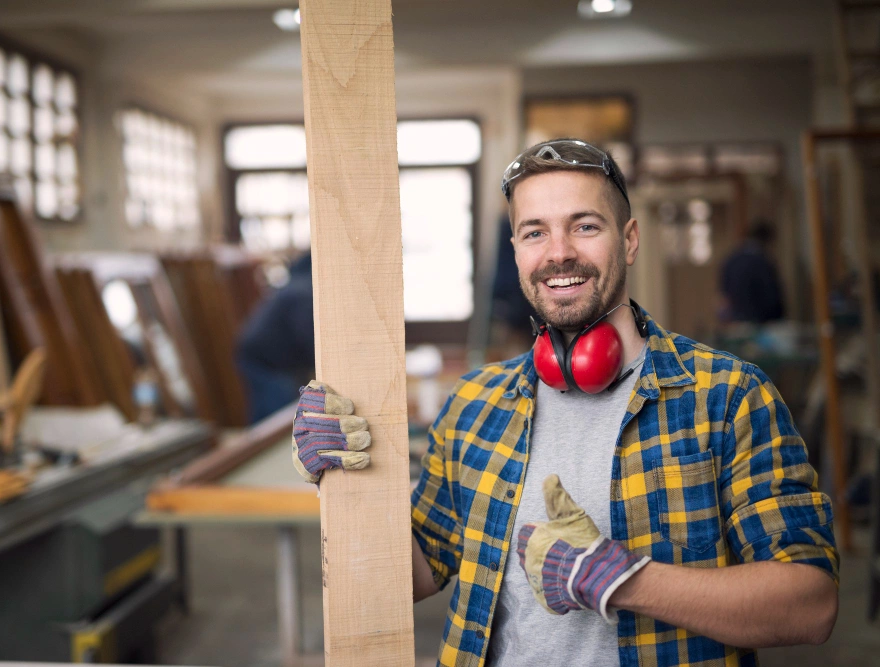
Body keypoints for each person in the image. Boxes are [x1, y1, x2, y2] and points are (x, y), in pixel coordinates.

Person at [291, 139, 838, 666]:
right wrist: (344, 486)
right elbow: (409, 577)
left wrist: (626, 581)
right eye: (535, 233)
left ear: (628, 240)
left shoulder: (726, 397)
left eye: (585, 226)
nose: (559, 253)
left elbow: (810, 606)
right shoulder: (474, 406)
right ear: (516, 251)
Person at [236, 252, 314, 423]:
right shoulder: (302, 292)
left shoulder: (297, 285)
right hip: (267, 361)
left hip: (261, 355)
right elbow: (309, 339)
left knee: (268, 412)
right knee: (276, 418)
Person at [718, 220, 785, 324]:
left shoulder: (732, 259)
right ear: (766, 240)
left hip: (736, 320)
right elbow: (771, 297)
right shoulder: (762, 261)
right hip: (759, 320)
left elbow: (724, 295)